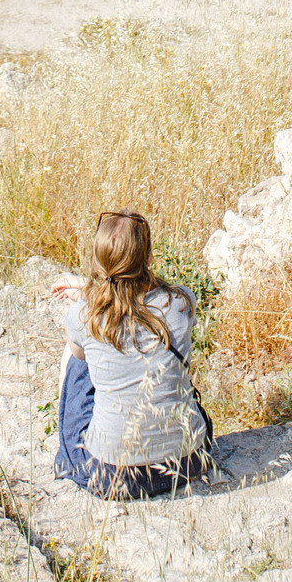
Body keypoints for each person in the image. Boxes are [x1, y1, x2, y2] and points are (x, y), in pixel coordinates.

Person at [50, 209, 214, 499]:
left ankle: (66, 457)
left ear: (99, 262)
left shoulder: (81, 316)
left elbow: (87, 351)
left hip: (114, 475)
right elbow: (138, 305)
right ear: (149, 259)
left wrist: (87, 299)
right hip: (188, 461)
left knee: (80, 360)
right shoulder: (182, 302)